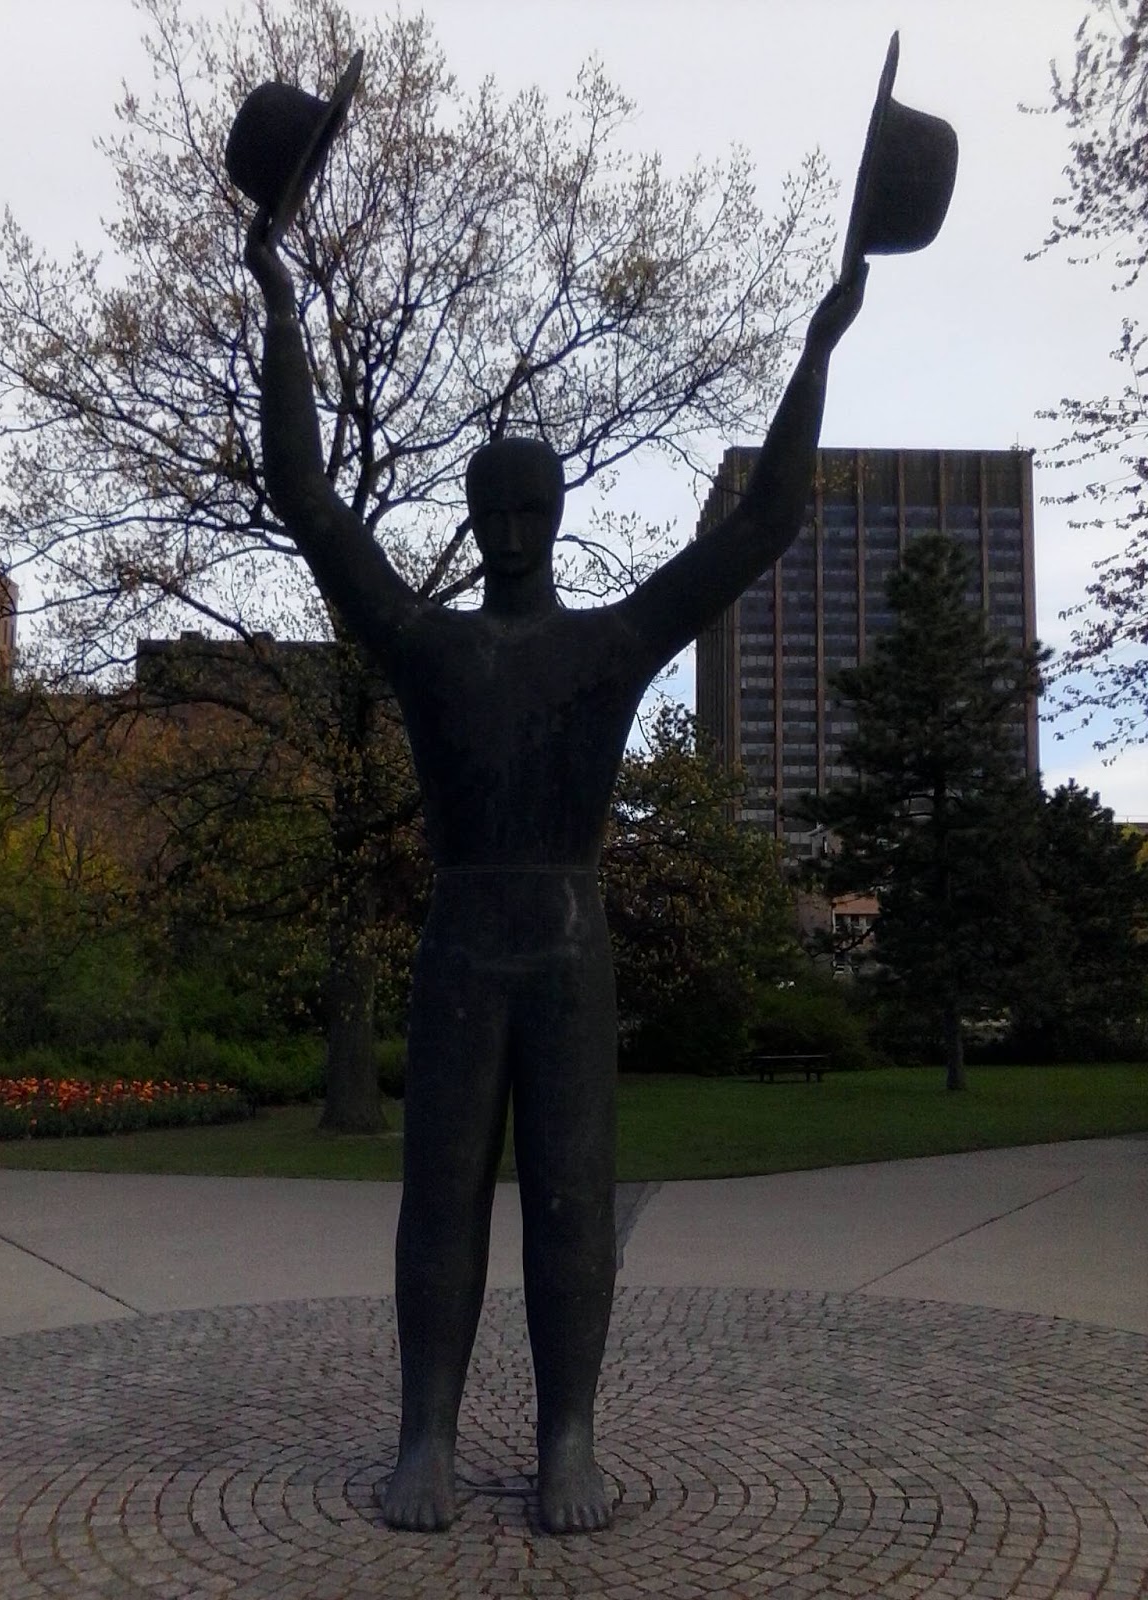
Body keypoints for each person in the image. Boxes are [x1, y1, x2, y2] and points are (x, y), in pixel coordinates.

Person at [245, 213, 867, 1533]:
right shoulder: (426, 643)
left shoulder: (609, 643)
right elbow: (305, 496)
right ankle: (426, 1433)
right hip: (466, 941)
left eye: (534, 506)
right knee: (442, 1198)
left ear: (559, 510)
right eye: (495, 508)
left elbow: (767, 519)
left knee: (574, 1198)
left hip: (570, 947)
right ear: (472, 517)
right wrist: (282, 309)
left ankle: (568, 1434)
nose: (516, 527)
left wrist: (816, 351)